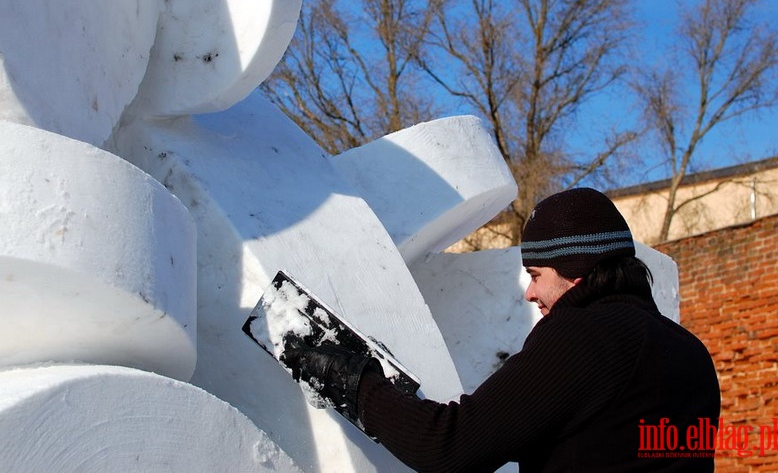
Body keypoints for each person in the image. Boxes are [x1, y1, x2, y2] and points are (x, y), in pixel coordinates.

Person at [283, 187, 721, 472]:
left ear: (575, 270)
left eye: (535, 274)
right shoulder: (689, 352)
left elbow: (449, 446)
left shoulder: (587, 335)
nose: (531, 293)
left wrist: (355, 383)